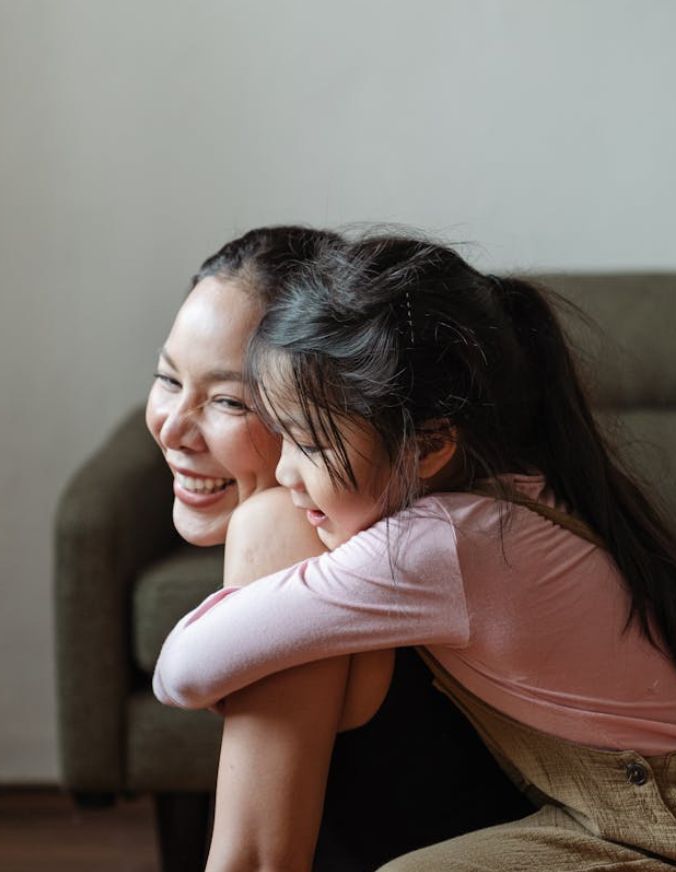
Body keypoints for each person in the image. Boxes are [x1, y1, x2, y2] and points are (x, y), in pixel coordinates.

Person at [154, 233, 676, 870]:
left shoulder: (442, 545)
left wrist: (245, 653)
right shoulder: (507, 493)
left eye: (310, 442)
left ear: (429, 445)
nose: (289, 472)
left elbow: (182, 668)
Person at [146, 226, 537, 872]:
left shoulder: (282, 528)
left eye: (226, 400)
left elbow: (257, 859)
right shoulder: (420, 512)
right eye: (167, 378)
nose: (174, 428)